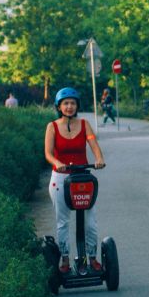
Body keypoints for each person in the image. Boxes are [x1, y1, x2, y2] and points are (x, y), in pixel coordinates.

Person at [44, 87, 106, 273]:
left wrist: (99, 159)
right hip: (61, 178)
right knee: (63, 221)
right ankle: (64, 259)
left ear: (77, 105)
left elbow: (93, 143)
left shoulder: (85, 124)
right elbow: (48, 153)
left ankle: (92, 258)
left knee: (90, 221)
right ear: (59, 106)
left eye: (72, 103)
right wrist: (57, 162)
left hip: (82, 177)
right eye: (65, 103)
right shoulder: (52, 126)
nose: (69, 107)